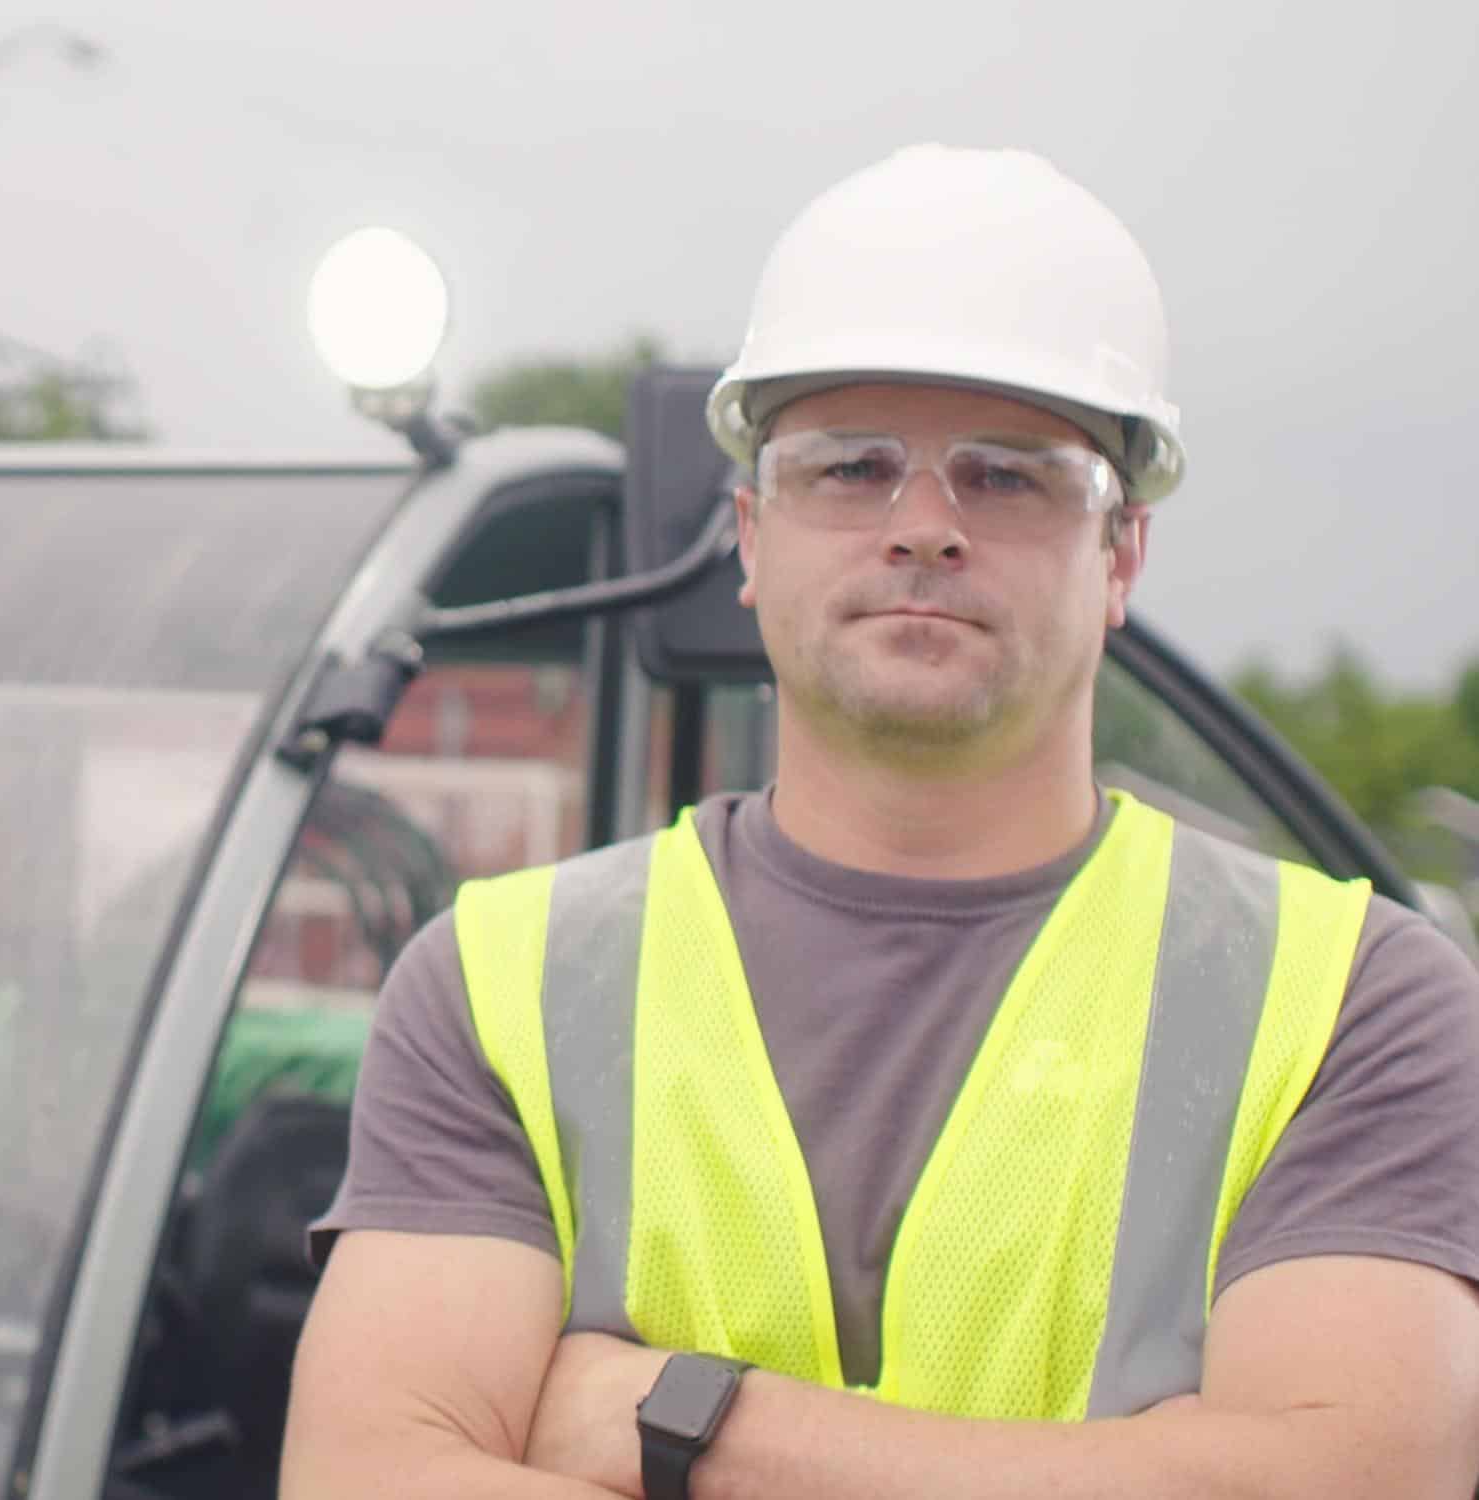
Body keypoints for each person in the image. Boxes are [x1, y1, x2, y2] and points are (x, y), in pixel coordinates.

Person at [281, 146, 1479, 1499]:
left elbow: (1350, 1480)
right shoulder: (500, 986)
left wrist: (682, 1422)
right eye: (850, 469)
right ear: (748, 535)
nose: (924, 527)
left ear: (1123, 554)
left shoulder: (1345, 1003)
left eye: (1011, 476)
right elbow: (368, 1478)